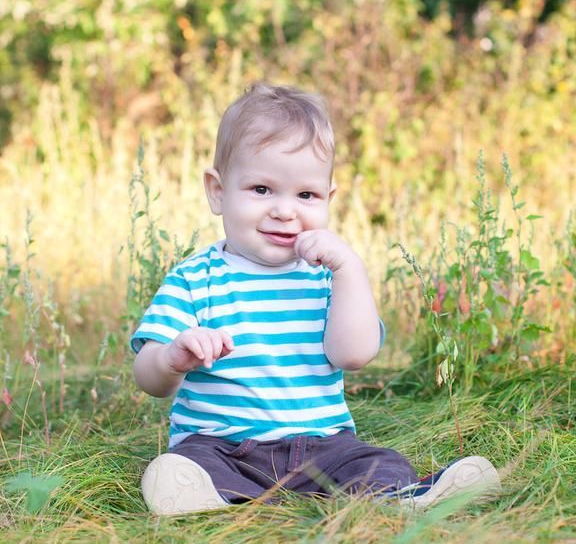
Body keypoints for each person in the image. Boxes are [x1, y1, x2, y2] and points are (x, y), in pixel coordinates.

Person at [131, 83, 501, 515]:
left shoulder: (329, 279)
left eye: (305, 195)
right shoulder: (195, 280)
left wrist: (350, 270)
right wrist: (172, 358)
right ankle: (201, 495)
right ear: (218, 191)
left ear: (329, 198)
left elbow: (355, 355)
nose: (285, 210)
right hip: (223, 445)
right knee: (187, 463)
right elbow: (148, 378)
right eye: (261, 190)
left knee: (373, 462)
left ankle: (409, 498)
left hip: (322, 445)